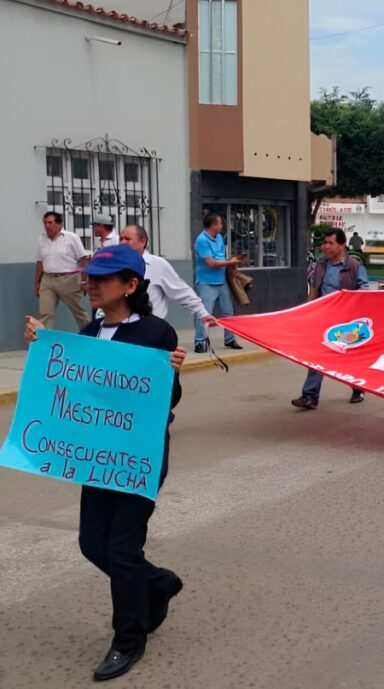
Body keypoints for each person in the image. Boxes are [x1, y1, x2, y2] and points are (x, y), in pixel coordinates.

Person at [25, 244, 187, 681]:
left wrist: (169, 372)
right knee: (93, 545)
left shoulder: (157, 333)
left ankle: (128, 639)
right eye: (89, 277)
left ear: (131, 286)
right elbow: (73, 384)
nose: (89, 284)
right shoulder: (92, 329)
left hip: (140, 458)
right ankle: (157, 583)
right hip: (98, 457)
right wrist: (42, 347)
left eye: (101, 278)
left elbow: (167, 401)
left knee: (121, 547)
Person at [292, 229, 369, 410]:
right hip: (324, 317)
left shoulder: (354, 265)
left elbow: (365, 290)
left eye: (330, 243)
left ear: (341, 245)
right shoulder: (320, 265)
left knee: (348, 358)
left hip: (347, 321)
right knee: (317, 356)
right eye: (324, 242)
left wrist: (347, 298)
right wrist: (306, 310)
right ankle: (310, 396)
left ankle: (358, 387)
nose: (325, 246)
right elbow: (314, 289)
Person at [118, 225, 216, 327]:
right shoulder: (115, 266)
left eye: (127, 239)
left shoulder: (157, 264)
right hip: (121, 328)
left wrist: (202, 313)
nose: (122, 243)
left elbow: (181, 291)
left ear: (142, 241)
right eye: (121, 239)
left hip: (150, 328)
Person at [193, 213, 242, 353]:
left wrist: (231, 267)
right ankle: (200, 342)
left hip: (221, 281)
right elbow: (210, 262)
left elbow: (220, 257)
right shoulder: (202, 240)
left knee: (228, 312)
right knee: (204, 313)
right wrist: (229, 263)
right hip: (206, 282)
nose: (221, 226)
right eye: (220, 223)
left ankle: (230, 339)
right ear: (214, 225)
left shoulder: (219, 238)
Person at [35, 211, 90, 330]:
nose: (47, 226)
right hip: (47, 279)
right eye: (45, 223)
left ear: (60, 224)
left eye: (50, 223)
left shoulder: (72, 238)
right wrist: (37, 283)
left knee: (79, 312)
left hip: (68, 279)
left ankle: (90, 336)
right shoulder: (41, 238)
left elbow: (83, 260)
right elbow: (40, 262)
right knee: (46, 314)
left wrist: (84, 281)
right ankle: (44, 342)